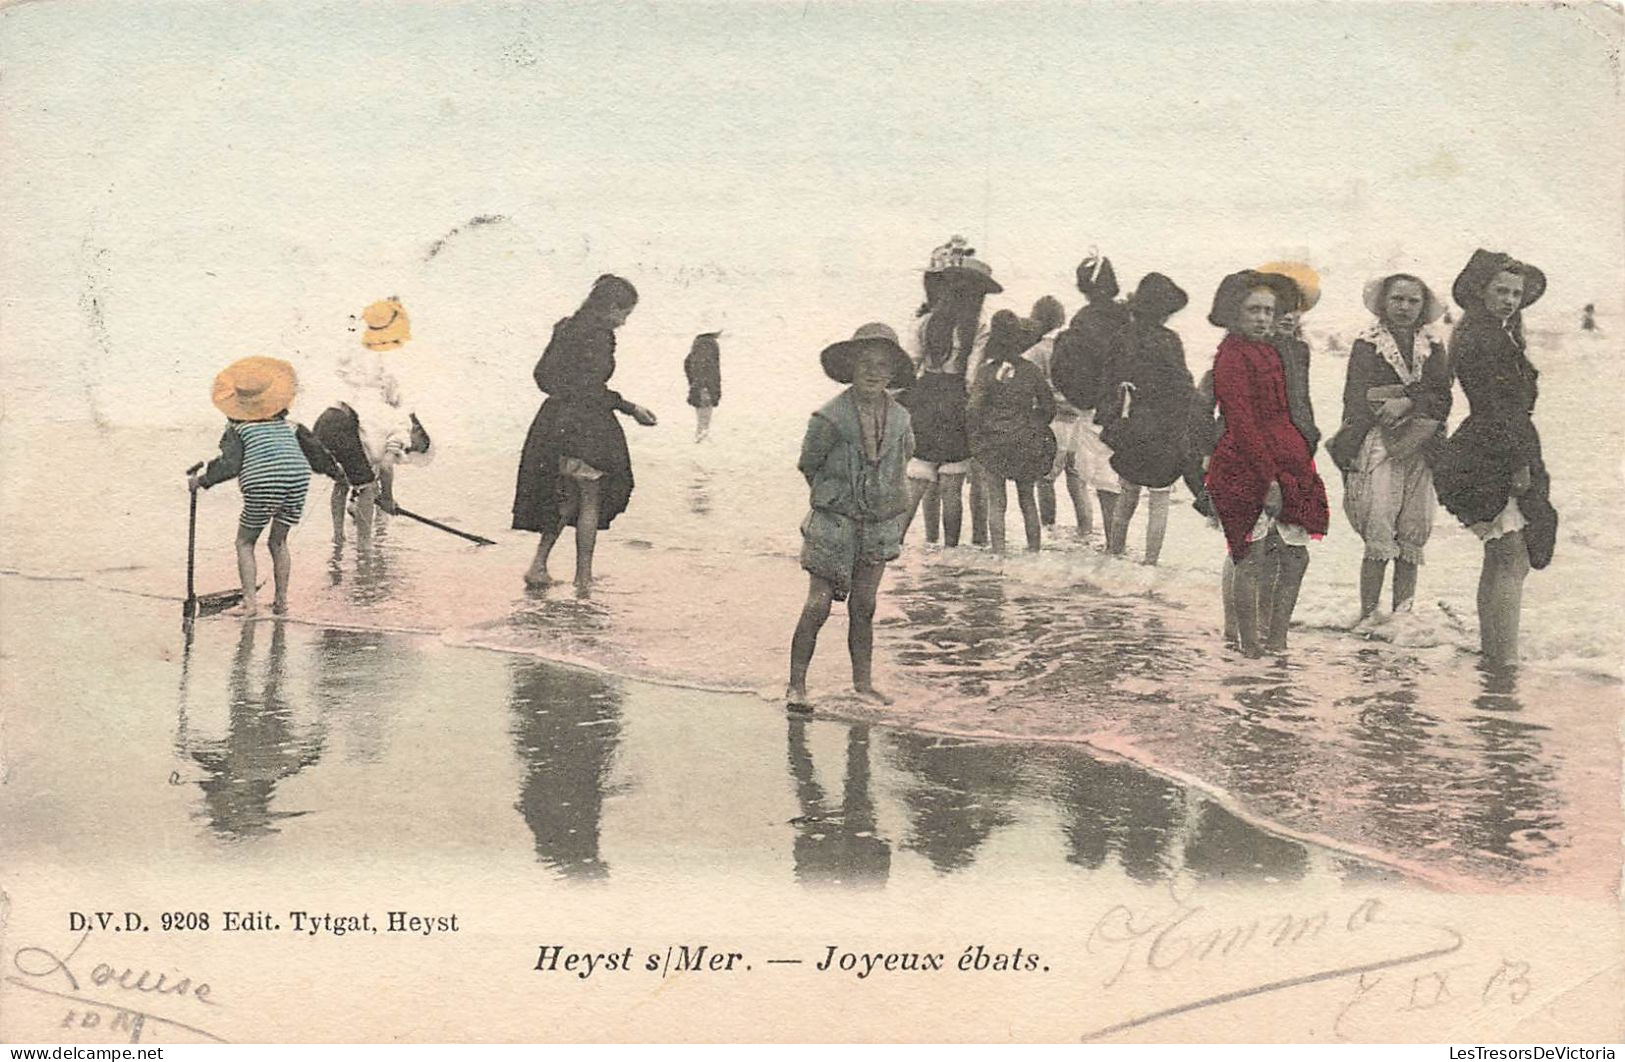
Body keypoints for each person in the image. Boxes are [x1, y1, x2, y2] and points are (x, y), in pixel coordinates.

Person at [1433, 250, 1557, 667]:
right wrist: (1519, 464)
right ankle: (1502, 662)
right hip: (1495, 449)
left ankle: (1495, 654)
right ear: (1481, 291)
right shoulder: (1486, 336)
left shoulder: (1487, 332)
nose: (1509, 299)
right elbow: (1501, 407)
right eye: (1500, 290)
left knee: (1501, 554)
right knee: (1511, 557)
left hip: (1487, 443)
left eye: (1516, 293)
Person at [787, 323, 915, 711]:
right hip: (834, 522)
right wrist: (837, 496)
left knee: (865, 606)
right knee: (818, 605)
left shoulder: (902, 419)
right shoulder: (828, 418)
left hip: (877, 524)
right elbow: (809, 464)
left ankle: (863, 684)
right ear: (850, 367)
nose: (873, 372)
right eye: (865, 363)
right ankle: (796, 686)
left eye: (882, 366)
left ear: (893, 373)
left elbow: (904, 459)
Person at [1203, 271, 1329, 655]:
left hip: (1290, 458)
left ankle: (1277, 641)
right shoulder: (1230, 356)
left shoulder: (1273, 350)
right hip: (1249, 464)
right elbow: (1241, 423)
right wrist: (1269, 480)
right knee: (1250, 557)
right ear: (1234, 312)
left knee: (1296, 555)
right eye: (1253, 310)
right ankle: (1249, 647)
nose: (1261, 318)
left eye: (1268, 311)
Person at [513, 274, 658, 590]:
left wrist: (565, 394)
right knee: (589, 499)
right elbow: (592, 388)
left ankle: (538, 565)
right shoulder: (600, 336)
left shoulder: (565, 328)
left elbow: (542, 376)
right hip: (587, 427)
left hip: (553, 424)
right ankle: (583, 578)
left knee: (564, 499)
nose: (623, 322)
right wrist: (630, 408)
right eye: (623, 313)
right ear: (608, 307)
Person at [1328, 271, 1452, 621]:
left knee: (1413, 527)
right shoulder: (1368, 343)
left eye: (1413, 300)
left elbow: (1443, 396)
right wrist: (1402, 401)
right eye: (1397, 298)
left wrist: (1409, 400)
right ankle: (1369, 613)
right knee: (1379, 522)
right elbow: (1356, 396)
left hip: (1423, 443)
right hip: (1376, 440)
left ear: (1423, 305)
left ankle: (1402, 615)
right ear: (1384, 302)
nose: (1404, 306)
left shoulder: (1433, 343)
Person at [189, 356, 340, 616]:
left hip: (263, 483)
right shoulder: (292, 426)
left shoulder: (238, 429)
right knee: (278, 542)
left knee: (245, 542)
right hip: (297, 478)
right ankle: (281, 601)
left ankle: (249, 604)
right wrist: (336, 472)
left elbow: (230, 464)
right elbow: (317, 454)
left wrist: (201, 481)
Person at [899, 244, 1000, 546]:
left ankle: (893, 543)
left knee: (917, 479)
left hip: (925, 398)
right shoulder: (979, 325)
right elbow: (971, 376)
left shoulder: (925, 322)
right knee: (951, 487)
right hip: (956, 401)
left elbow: (909, 365)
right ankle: (950, 552)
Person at [313, 298, 434, 547]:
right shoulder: (401, 426)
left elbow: (371, 456)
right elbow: (386, 467)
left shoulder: (378, 410)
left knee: (343, 481)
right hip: (344, 423)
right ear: (417, 438)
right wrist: (387, 499)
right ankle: (364, 549)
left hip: (326, 418)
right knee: (366, 488)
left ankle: (338, 536)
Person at [1098, 273, 1193, 564]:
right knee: (1159, 497)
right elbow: (1182, 386)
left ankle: (1115, 555)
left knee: (1127, 491)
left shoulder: (1121, 337)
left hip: (1130, 423)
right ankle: (1150, 565)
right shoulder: (1168, 341)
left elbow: (1107, 383)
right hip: (1163, 427)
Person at [1051, 251, 1132, 543]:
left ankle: (1114, 544)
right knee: (1124, 481)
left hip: (1095, 408)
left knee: (1104, 482)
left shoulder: (1082, 319)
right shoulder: (1128, 316)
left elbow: (1065, 367)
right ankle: (1120, 547)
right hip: (1129, 404)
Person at [968, 310, 1056, 552]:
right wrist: (1035, 423)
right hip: (1025, 440)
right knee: (1027, 498)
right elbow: (1049, 406)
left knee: (997, 502)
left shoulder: (986, 372)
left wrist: (978, 436)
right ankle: (1034, 552)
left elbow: (974, 408)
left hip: (993, 442)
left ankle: (998, 554)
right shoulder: (1031, 371)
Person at [1021, 295, 1089, 534]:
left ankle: (1049, 529)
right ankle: (1085, 529)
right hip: (1078, 419)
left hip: (1054, 421)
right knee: (1077, 480)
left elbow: (1029, 388)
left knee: (1045, 478)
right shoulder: (1074, 347)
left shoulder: (1036, 351)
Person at [683, 331, 723, 441]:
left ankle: (702, 431)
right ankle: (703, 432)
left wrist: (692, 380)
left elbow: (687, 362)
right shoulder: (708, 343)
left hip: (700, 382)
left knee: (703, 406)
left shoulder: (698, 342)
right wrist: (704, 384)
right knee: (706, 405)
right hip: (706, 382)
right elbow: (706, 365)